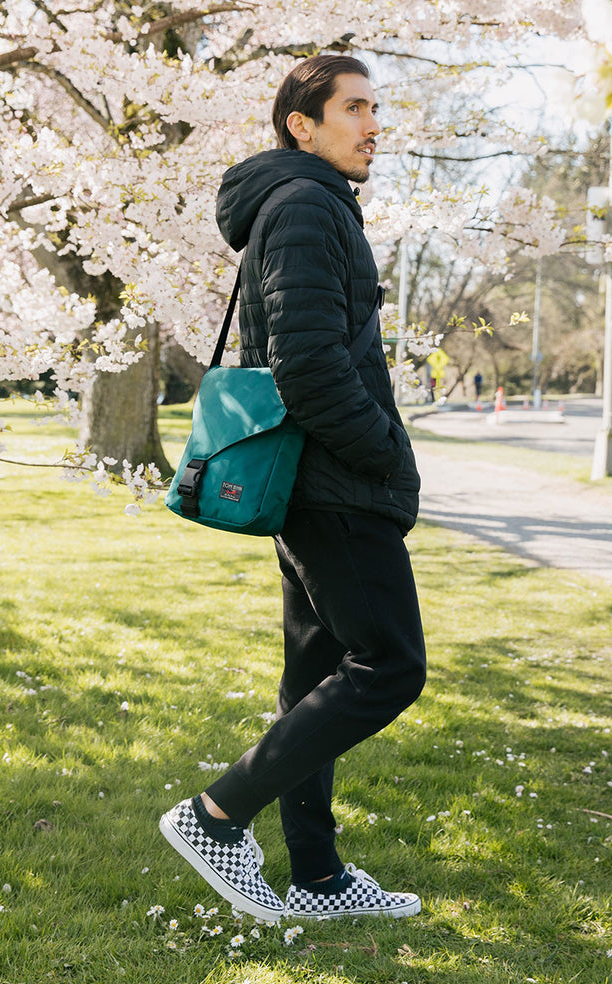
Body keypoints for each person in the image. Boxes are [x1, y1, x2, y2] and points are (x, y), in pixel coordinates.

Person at [158, 54, 425, 923]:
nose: (372, 125)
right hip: (336, 485)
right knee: (388, 667)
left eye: (374, 108)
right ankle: (215, 815)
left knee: (316, 673)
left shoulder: (301, 203)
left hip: (311, 481)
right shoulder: (308, 204)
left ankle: (316, 878)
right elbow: (307, 366)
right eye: (354, 108)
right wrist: (384, 450)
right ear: (300, 125)